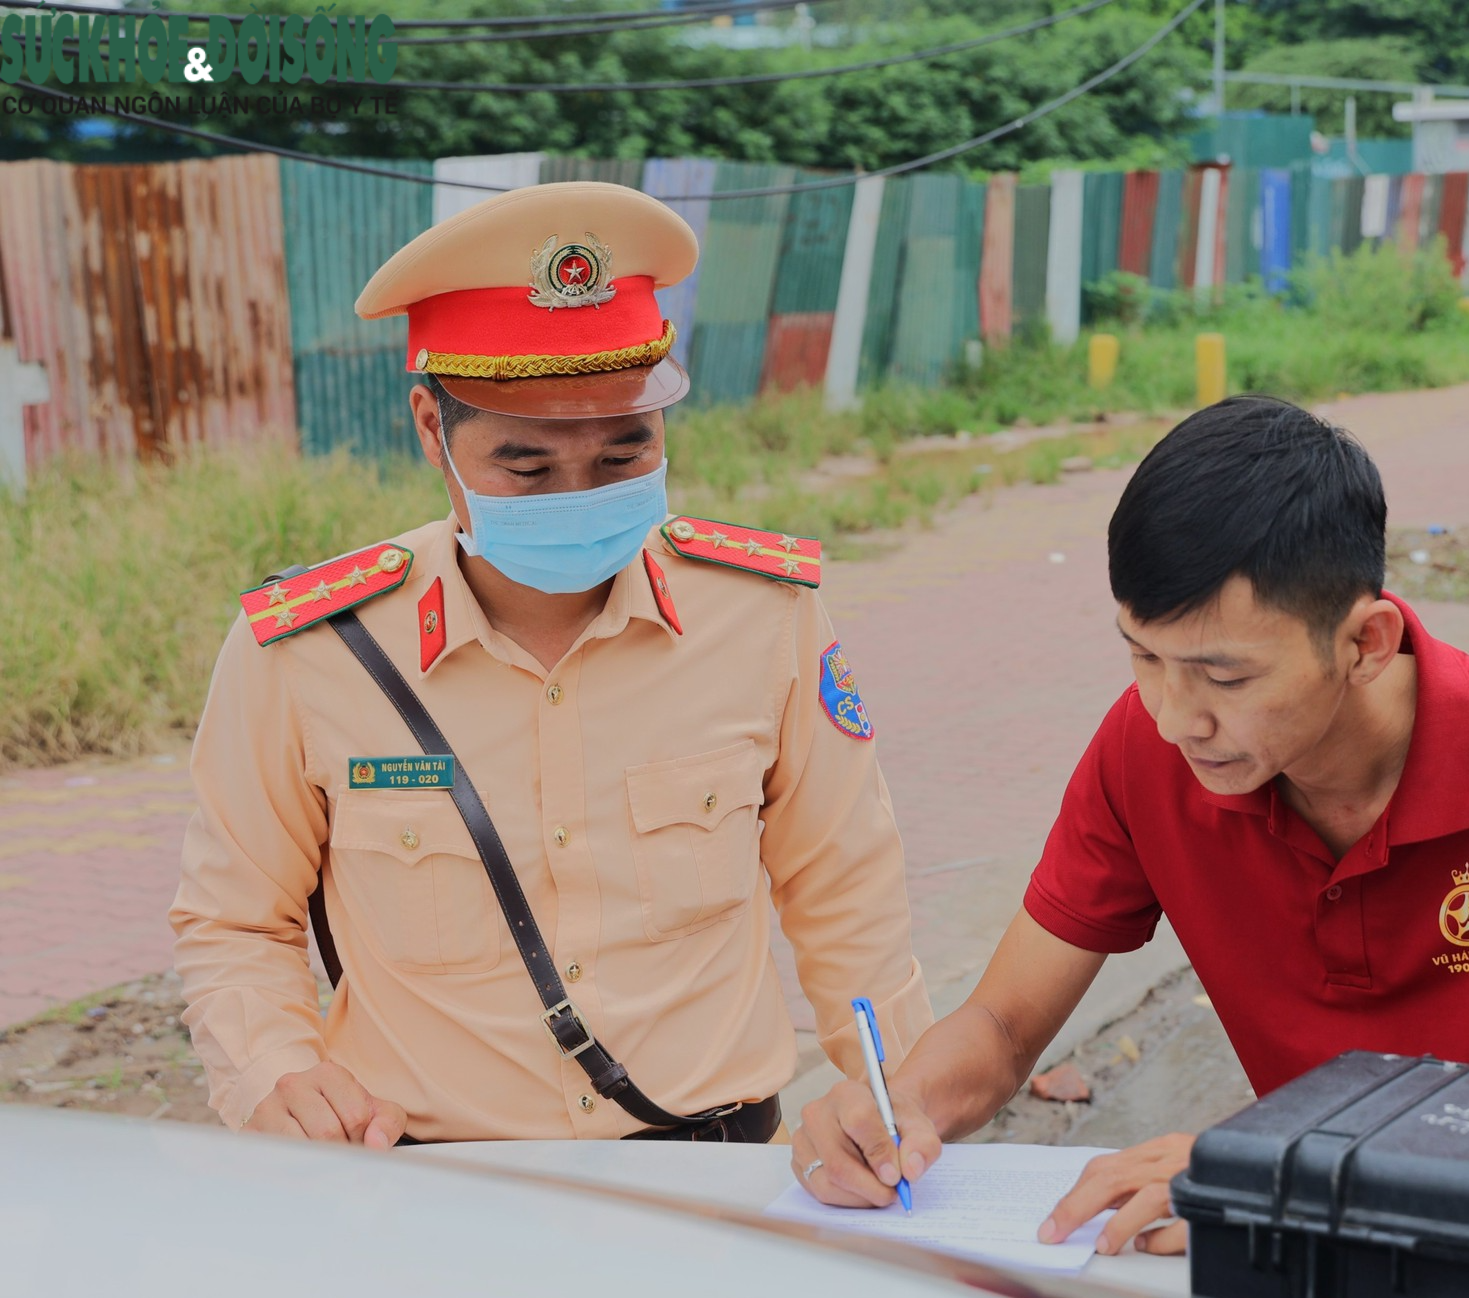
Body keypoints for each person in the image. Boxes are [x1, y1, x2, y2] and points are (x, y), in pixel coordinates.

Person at [792, 395, 1469, 1253]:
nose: (1176, 717)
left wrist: (1285, 1175)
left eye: (1226, 677)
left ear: (1365, 643)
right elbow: (1003, 1022)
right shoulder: (1146, 753)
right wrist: (902, 1104)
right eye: (1143, 656)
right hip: (1312, 1264)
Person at [170, 181, 930, 1146]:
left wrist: (894, 1094)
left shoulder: (764, 616)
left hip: (707, 1170)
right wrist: (275, 1070)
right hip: (432, 1188)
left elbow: (847, 889)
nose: (578, 490)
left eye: (624, 455)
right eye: (527, 467)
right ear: (428, 428)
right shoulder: (310, 654)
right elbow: (236, 920)